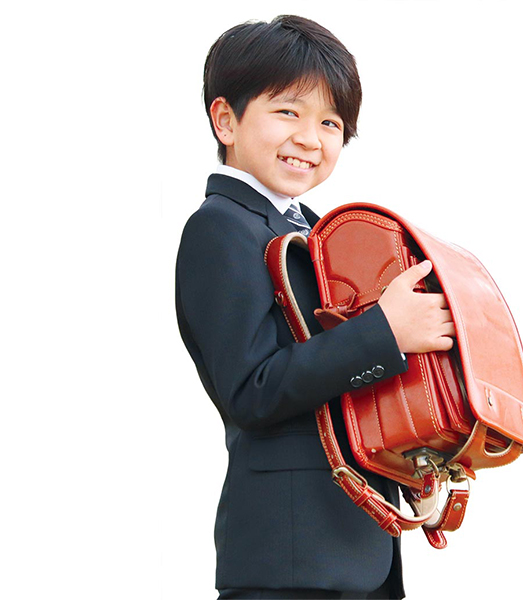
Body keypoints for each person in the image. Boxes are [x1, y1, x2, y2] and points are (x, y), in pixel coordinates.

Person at [175, 15, 455, 599]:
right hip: (289, 558)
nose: (311, 138)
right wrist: (386, 331)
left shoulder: (318, 231)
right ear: (225, 120)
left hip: (362, 544)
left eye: (331, 122)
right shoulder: (219, 227)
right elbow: (252, 390)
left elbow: (339, 385)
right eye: (288, 111)